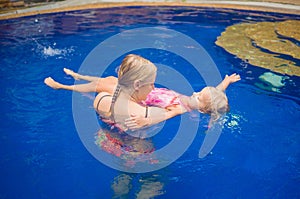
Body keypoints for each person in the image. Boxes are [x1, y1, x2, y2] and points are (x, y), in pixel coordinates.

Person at [44, 54, 240, 130]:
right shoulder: (202, 100)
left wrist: (147, 121)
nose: (195, 94)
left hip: (143, 102)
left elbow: (165, 114)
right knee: (111, 81)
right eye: (198, 92)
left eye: (198, 97)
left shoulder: (182, 108)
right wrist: (226, 82)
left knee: (108, 84)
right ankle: (80, 76)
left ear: (203, 110)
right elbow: (213, 94)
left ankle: (65, 86)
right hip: (146, 95)